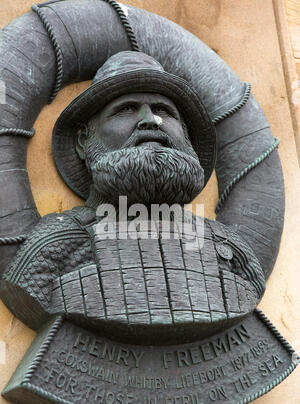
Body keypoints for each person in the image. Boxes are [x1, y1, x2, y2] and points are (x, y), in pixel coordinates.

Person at [0, 51, 265, 343]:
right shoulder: (55, 247)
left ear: (186, 137)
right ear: (83, 142)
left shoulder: (229, 251)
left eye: (165, 111)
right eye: (126, 109)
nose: (150, 121)